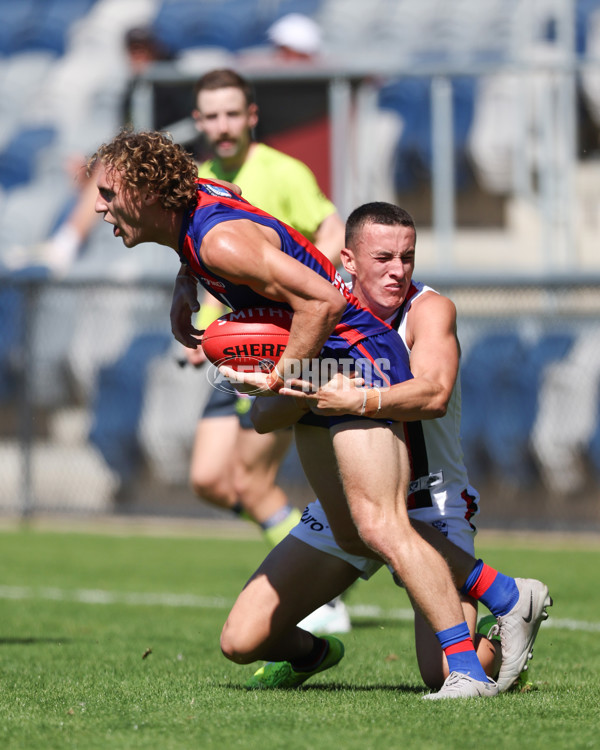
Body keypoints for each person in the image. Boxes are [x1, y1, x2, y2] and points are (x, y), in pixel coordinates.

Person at [91, 129, 498, 699]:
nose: (100, 206)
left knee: (378, 523)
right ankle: (485, 598)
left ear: (146, 192)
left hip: (354, 358)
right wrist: (186, 282)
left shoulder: (219, 244)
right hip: (320, 356)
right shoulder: (199, 200)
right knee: (245, 631)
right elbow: (225, 188)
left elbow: (325, 301)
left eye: (109, 193)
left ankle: (471, 669)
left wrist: (282, 376)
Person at [219, 202, 552, 694]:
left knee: (440, 673)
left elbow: (433, 394)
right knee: (241, 641)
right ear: (347, 261)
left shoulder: (429, 310)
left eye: (408, 257)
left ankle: (498, 637)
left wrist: (363, 397)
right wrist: (296, 382)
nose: (398, 270)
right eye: (383, 258)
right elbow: (266, 419)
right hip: (347, 508)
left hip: (430, 505)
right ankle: (315, 655)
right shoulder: (316, 314)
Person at [183, 69, 347, 632]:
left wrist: (309, 288)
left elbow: (329, 228)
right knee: (209, 479)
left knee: (251, 479)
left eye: (233, 113)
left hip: (282, 347)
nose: (223, 126)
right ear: (198, 122)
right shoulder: (200, 180)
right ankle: (308, 562)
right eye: (212, 115)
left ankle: (320, 594)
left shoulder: (283, 171)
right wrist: (201, 328)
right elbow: (200, 266)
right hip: (228, 353)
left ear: (252, 115)